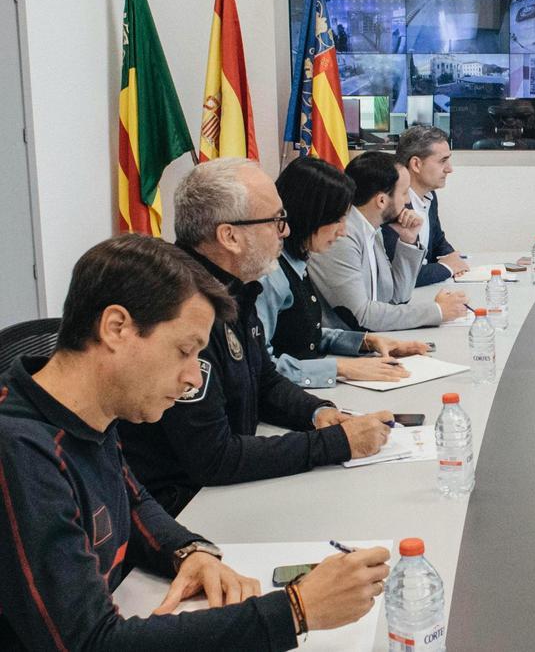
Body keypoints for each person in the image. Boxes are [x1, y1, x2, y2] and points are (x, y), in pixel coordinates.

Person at [0, 234, 391, 649]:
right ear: (116, 328)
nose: (193, 378)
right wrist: (294, 611)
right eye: (185, 351)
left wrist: (187, 550)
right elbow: (91, 644)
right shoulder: (20, 451)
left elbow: (132, 500)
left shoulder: (87, 406)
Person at [119, 158, 392, 516]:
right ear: (229, 236)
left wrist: (318, 413)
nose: (285, 232)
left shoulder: (236, 289)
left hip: (225, 492)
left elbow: (264, 382)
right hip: (185, 509)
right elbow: (213, 458)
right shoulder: (180, 309)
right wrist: (333, 445)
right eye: (276, 220)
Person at [257, 157, 430, 389]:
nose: (343, 231)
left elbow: (306, 334)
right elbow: (260, 368)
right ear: (312, 216)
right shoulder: (269, 275)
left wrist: (365, 342)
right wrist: (342, 368)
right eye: (337, 219)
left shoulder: (297, 262)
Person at [310, 150, 470, 332]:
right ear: (381, 200)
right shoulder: (341, 236)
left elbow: (397, 297)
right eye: (404, 193)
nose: (408, 200)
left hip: (371, 340)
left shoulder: (372, 228)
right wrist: (437, 311)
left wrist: (408, 241)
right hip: (343, 348)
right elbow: (363, 316)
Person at [384, 125, 467, 286]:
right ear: (416, 164)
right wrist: (448, 267)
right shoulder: (392, 204)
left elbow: (437, 241)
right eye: (443, 161)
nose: (450, 169)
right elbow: (403, 274)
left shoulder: (429, 195)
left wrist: (453, 258)